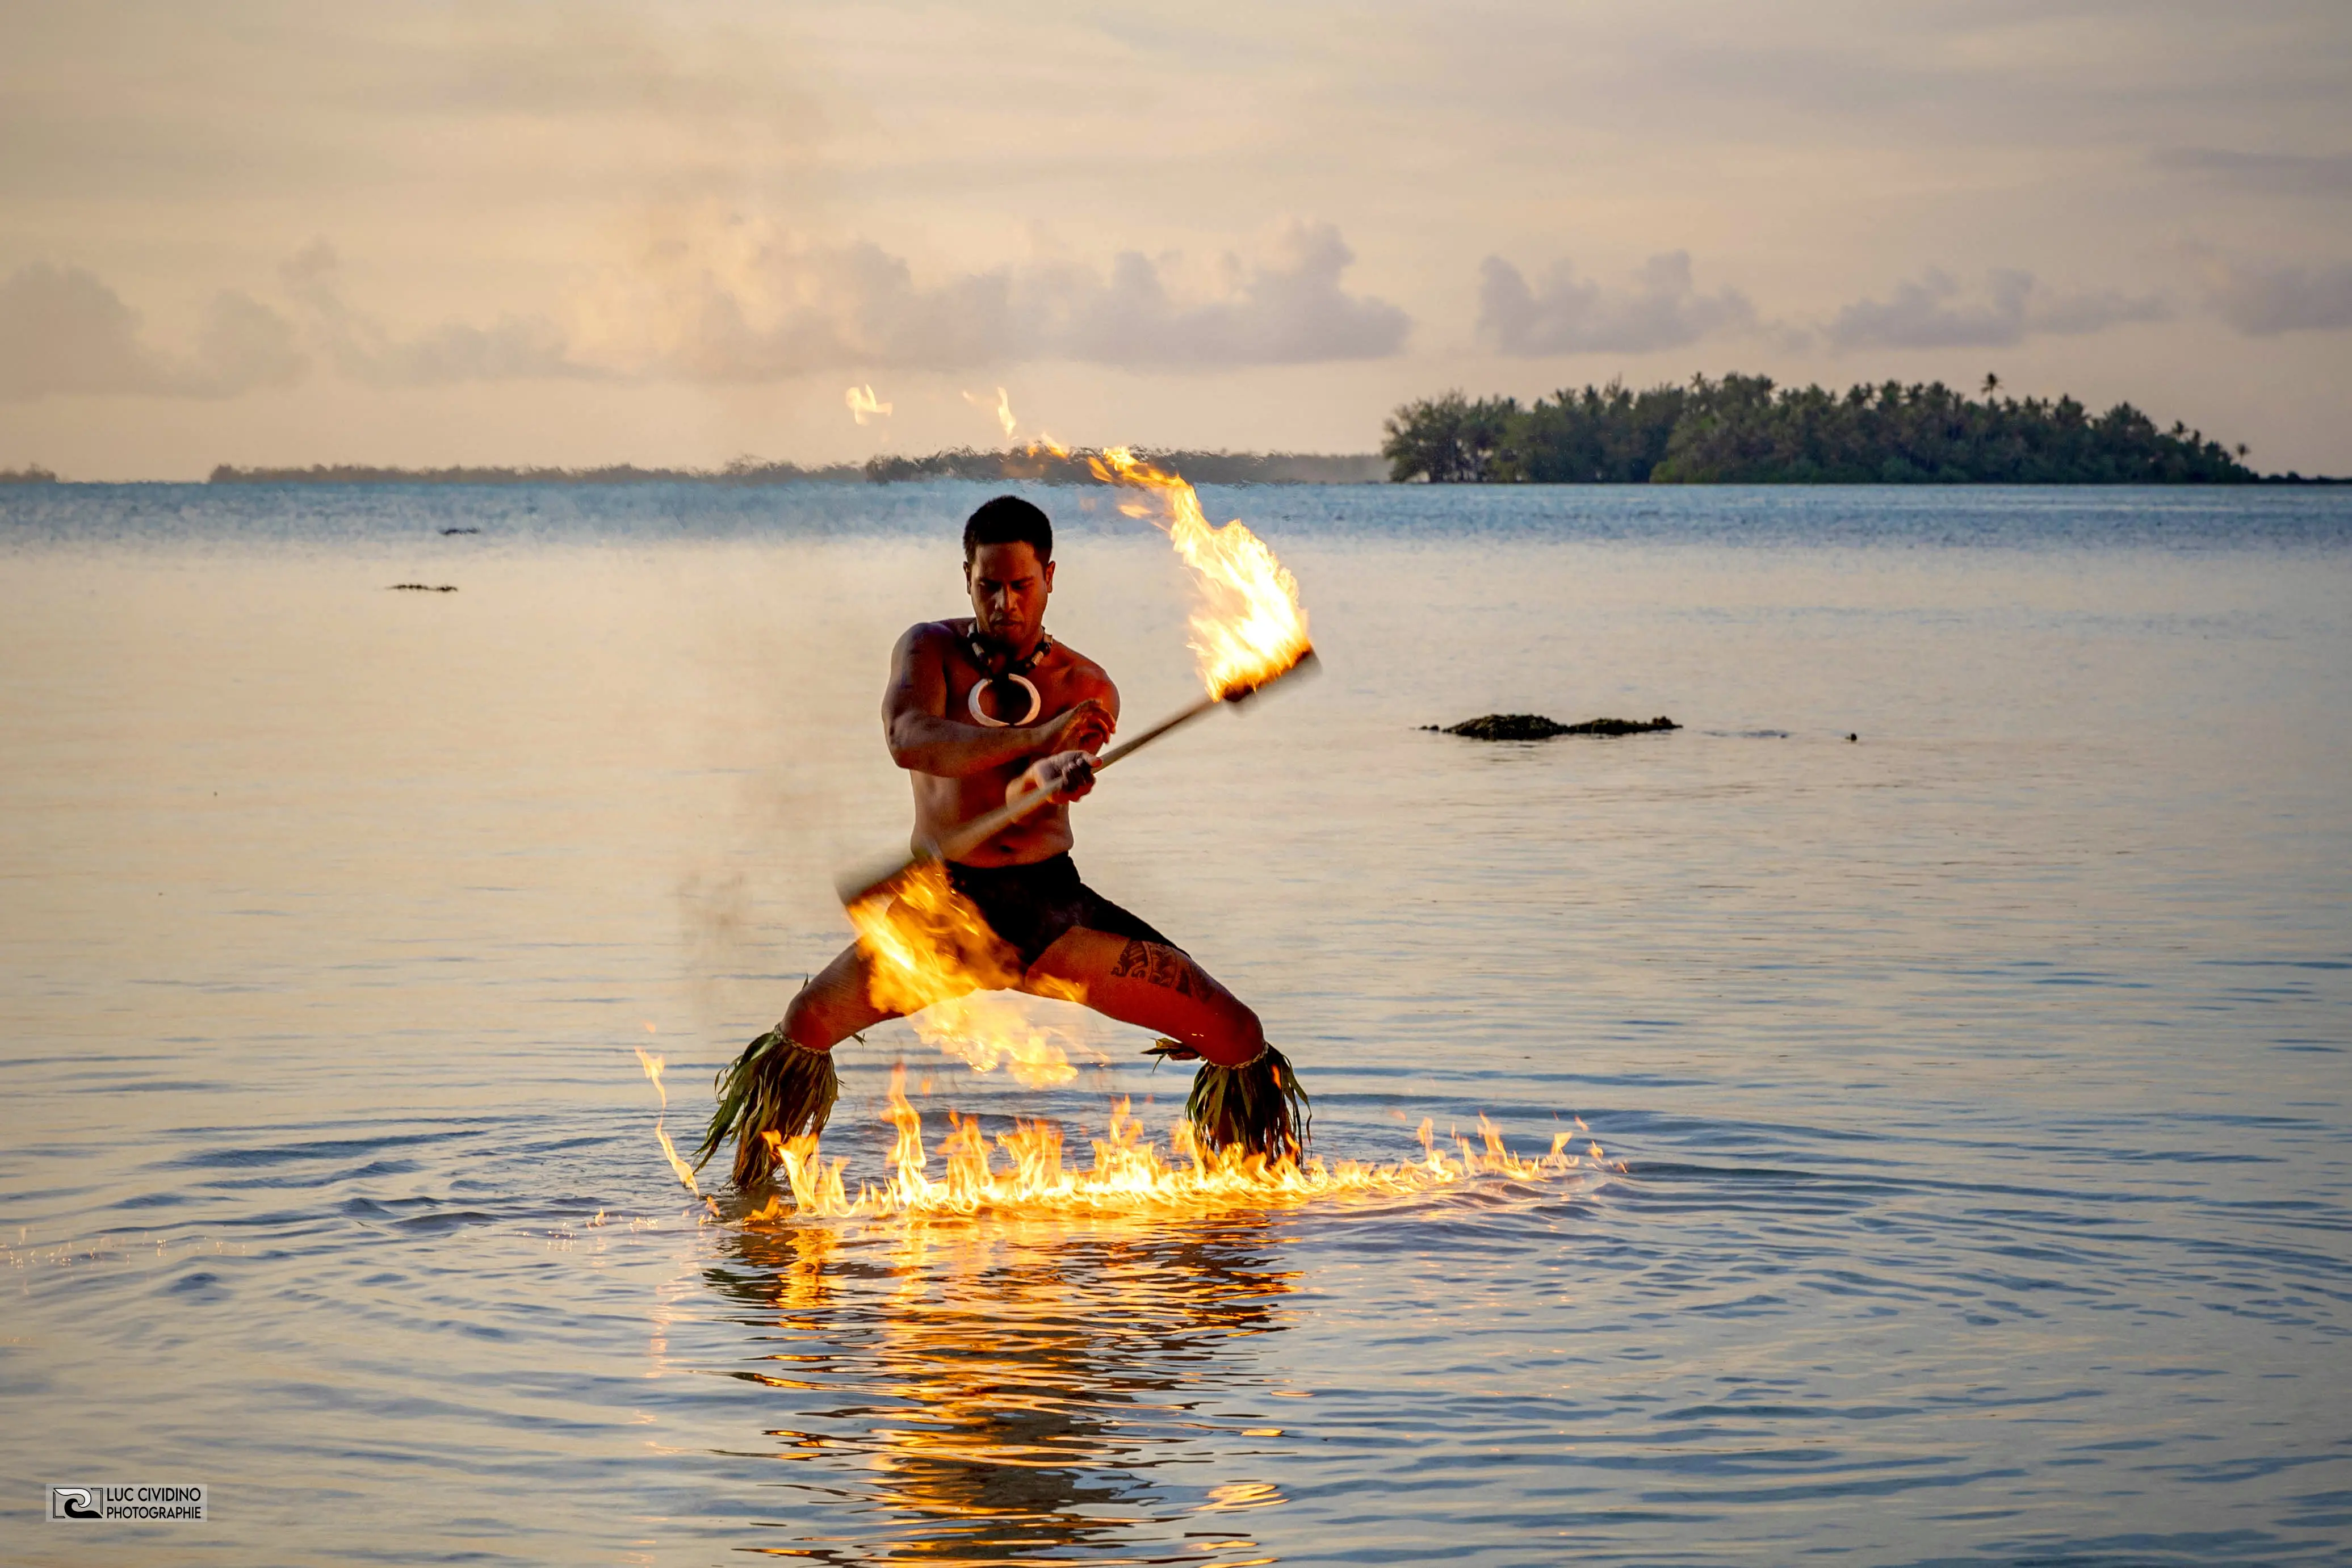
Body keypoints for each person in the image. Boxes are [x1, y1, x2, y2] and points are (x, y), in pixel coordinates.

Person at [698, 496, 1306, 1188]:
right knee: (804, 1023)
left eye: (1022, 585)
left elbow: (1028, 789)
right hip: (943, 909)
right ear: (966, 576)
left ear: (1050, 576)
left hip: (1050, 910)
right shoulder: (928, 649)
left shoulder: (1086, 685)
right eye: (989, 584)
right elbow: (910, 741)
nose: (1006, 602)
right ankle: (752, 1209)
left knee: (1237, 1034)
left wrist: (1056, 769)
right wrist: (1039, 740)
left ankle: (1249, 1205)